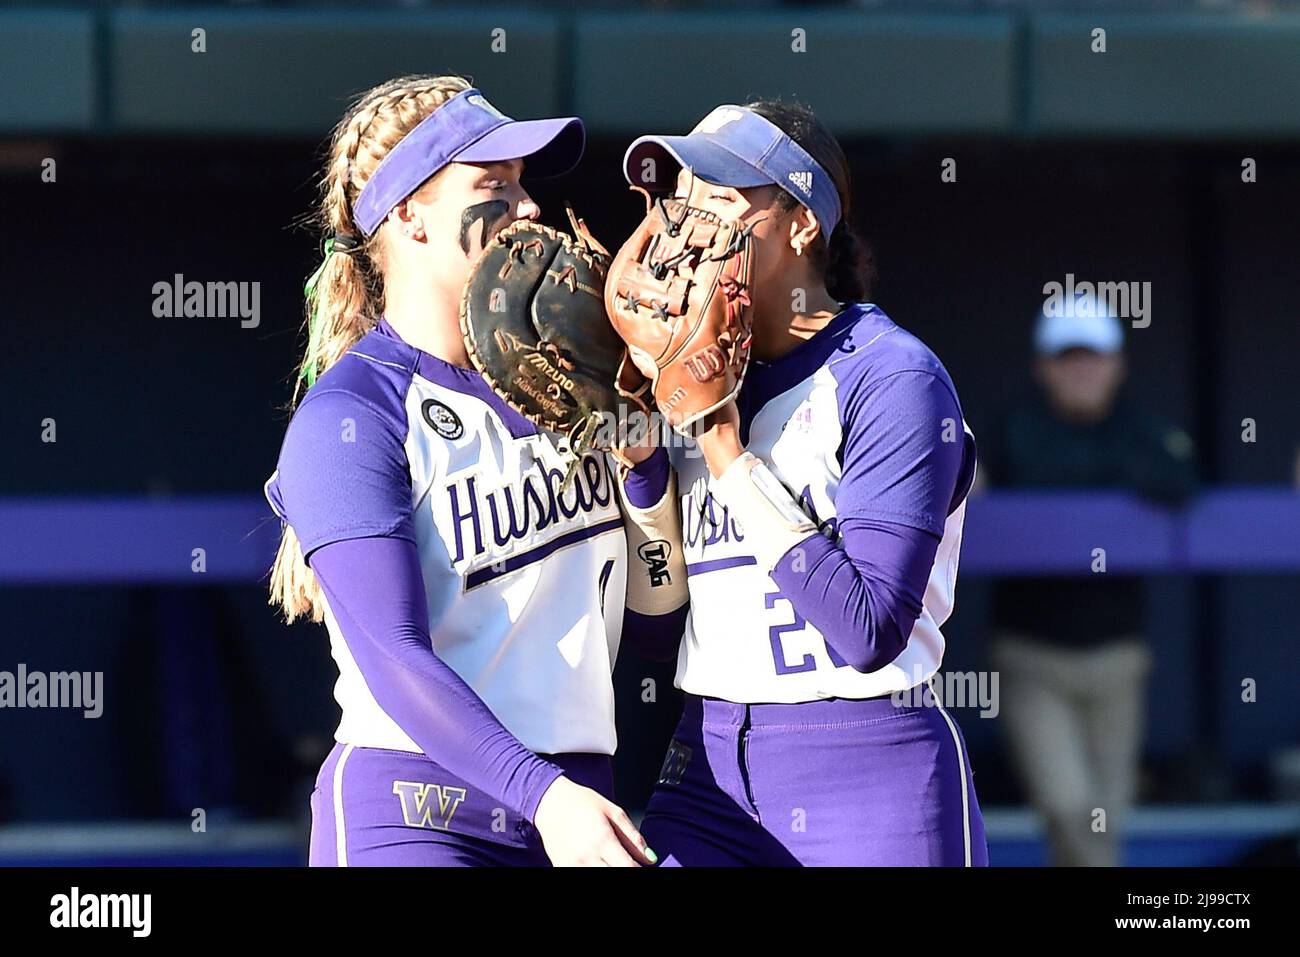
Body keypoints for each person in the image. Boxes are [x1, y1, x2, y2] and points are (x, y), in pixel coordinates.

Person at [264, 74, 663, 867]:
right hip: (420, 814)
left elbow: (654, 622)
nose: (527, 207)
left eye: (522, 183)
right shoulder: (352, 414)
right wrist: (545, 794)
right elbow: (394, 655)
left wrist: (649, 465)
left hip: (579, 803)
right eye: (493, 184)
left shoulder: (572, 379)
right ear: (405, 212)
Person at [616, 100, 988, 865]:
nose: (689, 226)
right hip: (708, 765)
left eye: (721, 199)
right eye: (684, 199)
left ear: (802, 223)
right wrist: (645, 472)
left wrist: (724, 452)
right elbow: (656, 632)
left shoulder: (891, 374)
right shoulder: (688, 368)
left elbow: (868, 629)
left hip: (869, 765)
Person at [985, 299, 1197, 867]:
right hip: (1033, 655)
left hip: (1118, 659)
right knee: (1066, 804)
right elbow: (987, 484)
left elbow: (1180, 481)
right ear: (1043, 366)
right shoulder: (1014, 428)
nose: (1081, 371)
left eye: (1093, 357)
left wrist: (1114, 470)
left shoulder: (1142, 428)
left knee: (1108, 812)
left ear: (1117, 364)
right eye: (1067, 358)